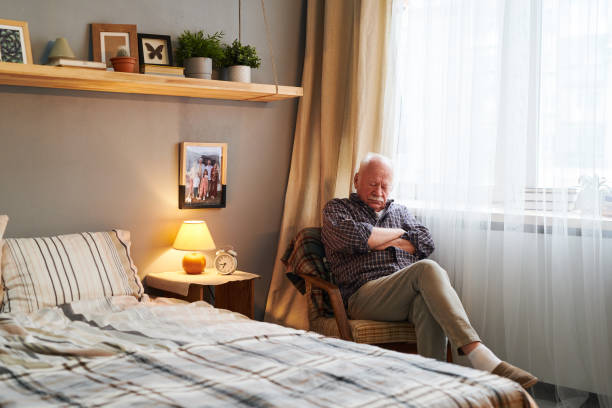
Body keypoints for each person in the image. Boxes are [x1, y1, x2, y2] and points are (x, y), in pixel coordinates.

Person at [321, 152, 537, 389]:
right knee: (425, 269)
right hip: (363, 296)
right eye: (373, 184)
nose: (379, 191)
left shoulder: (400, 212)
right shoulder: (337, 208)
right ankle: (480, 355)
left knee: (426, 303)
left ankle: (432, 389)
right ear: (356, 180)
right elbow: (356, 237)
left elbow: (424, 241)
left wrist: (379, 239)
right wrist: (401, 234)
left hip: (404, 293)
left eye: (385, 186)